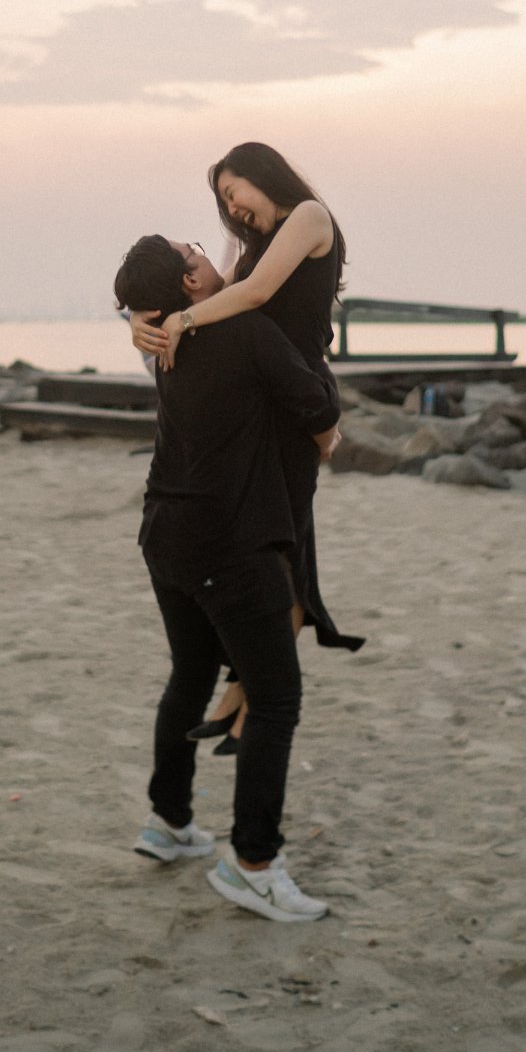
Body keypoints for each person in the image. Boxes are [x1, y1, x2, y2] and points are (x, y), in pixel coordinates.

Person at [114, 233, 339, 921]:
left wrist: (136, 319)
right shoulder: (244, 330)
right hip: (228, 546)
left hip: (165, 536)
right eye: (194, 250)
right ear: (190, 281)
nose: (207, 250)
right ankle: (254, 865)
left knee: (190, 674)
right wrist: (321, 440)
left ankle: (169, 823)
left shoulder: (162, 340)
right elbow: (320, 411)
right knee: (275, 699)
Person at [129, 143, 363, 748]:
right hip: (272, 401)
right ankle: (245, 689)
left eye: (234, 193)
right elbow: (214, 298)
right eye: (224, 202)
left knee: (289, 555)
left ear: (265, 175)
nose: (232, 208)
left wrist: (179, 321)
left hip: (296, 394)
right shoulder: (258, 246)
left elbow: (251, 297)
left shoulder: (309, 216)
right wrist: (139, 320)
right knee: (280, 551)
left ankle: (248, 692)